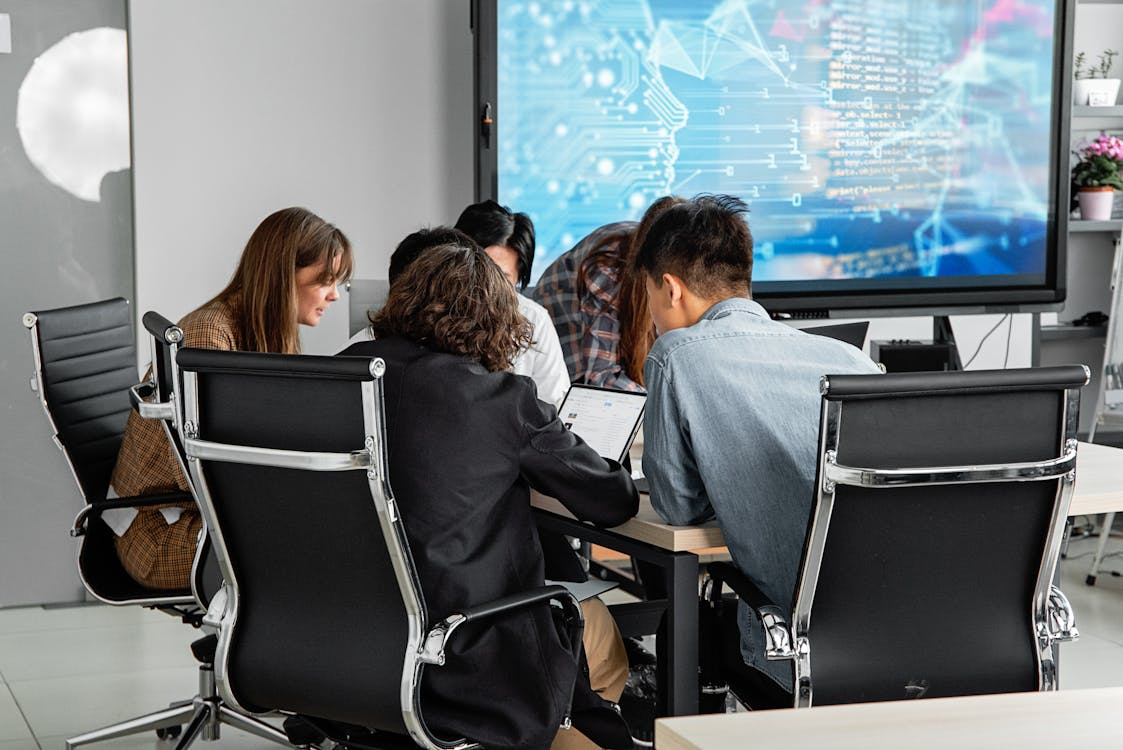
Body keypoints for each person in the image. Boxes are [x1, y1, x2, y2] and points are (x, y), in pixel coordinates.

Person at [340, 240, 637, 750]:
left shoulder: (339, 375)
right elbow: (612, 502)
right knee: (599, 640)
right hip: (465, 656)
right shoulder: (501, 398)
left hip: (346, 647)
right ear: (495, 321)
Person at [633, 194, 881, 701]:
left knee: (688, 631)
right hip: (906, 639)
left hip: (791, 652)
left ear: (671, 288)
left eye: (650, 297)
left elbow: (679, 508)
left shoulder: (675, 356)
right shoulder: (851, 360)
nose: (652, 315)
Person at [108, 206, 353, 591]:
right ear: (283, 275)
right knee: (318, 544)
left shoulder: (265, 333)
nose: (335, 295)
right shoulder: (209, 337)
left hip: (200, 517)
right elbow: (204, 470)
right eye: (325, 280)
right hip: (159, 531)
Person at [532, 196, 686, 392]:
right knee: (582, 393)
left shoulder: (701, 265)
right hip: (565, 308)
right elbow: (600, 375)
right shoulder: (608, 271)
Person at [455, 200, 570, 407]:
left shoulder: (534, 319)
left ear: (517, 279)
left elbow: (553, 405)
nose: (488, 287)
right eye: (480, 271)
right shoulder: (433, 314)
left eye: (502, 278)